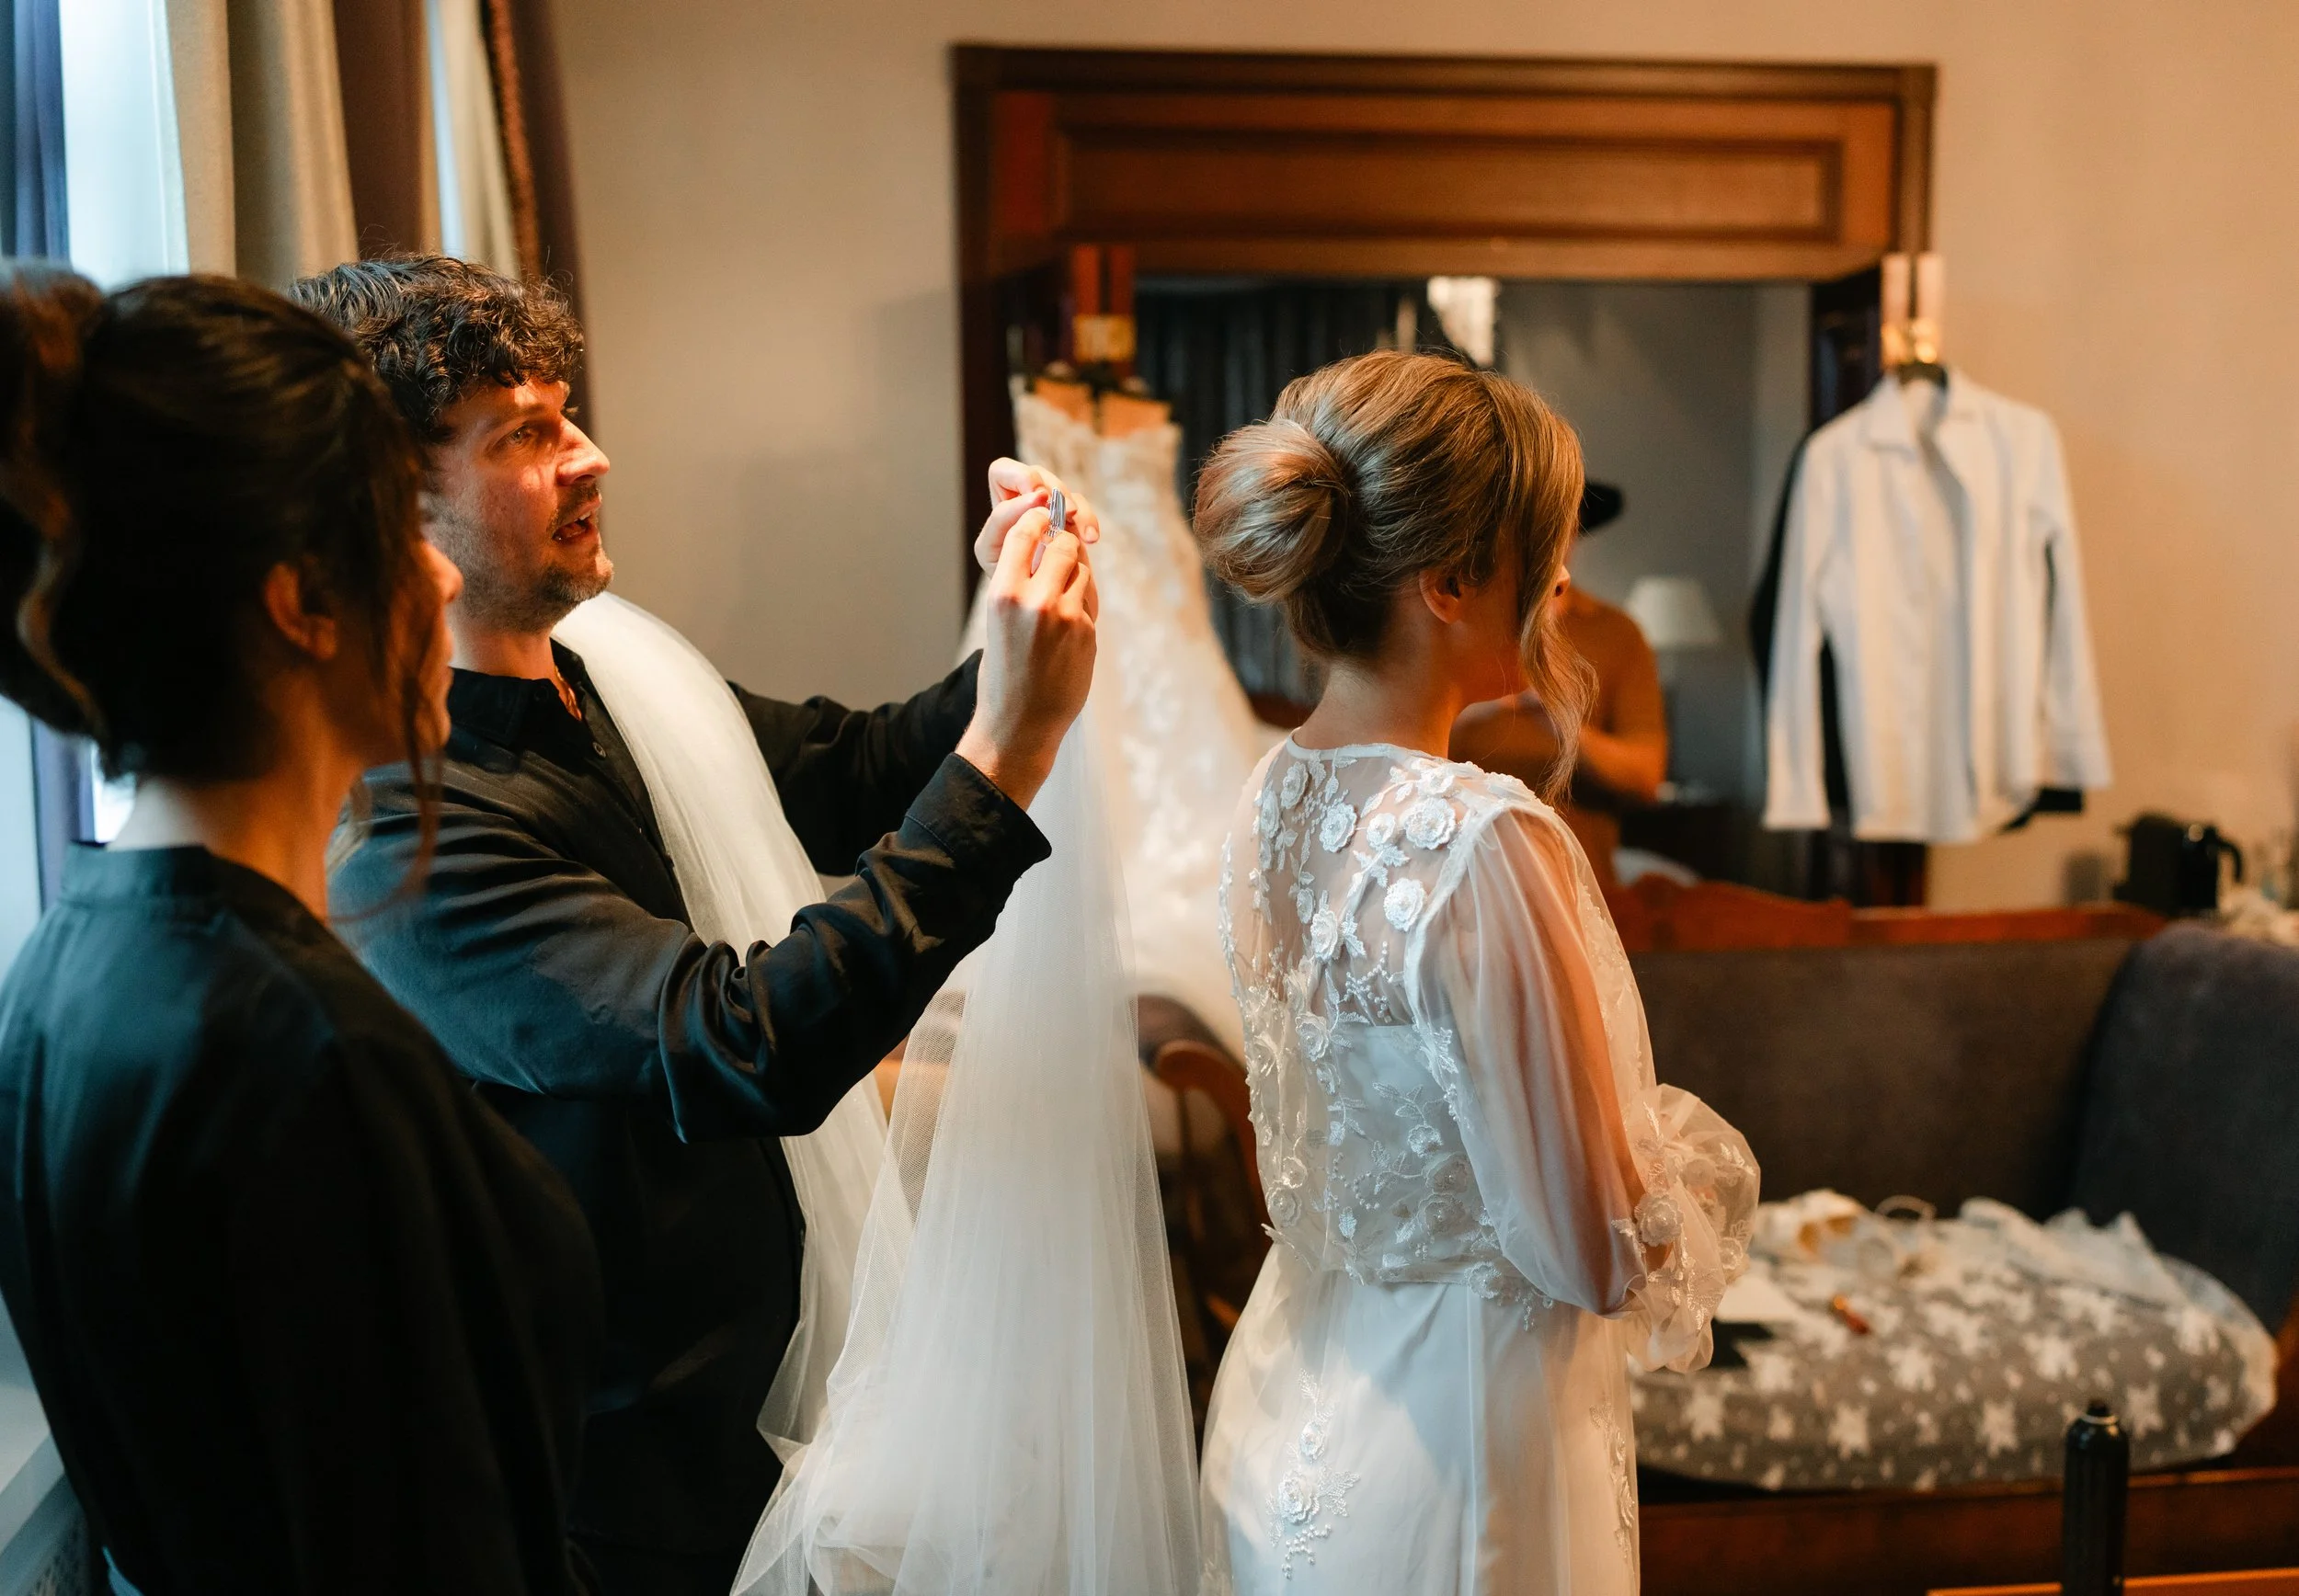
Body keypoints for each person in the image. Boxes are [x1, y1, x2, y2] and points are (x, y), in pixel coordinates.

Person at [294, 256, 1098, 1596]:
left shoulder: (608, 665)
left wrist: (1031, 617)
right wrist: (1008, 752)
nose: (591, 456)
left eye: (570, 412)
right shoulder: (409, 834)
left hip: (769, 1405)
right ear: (392, 500)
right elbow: (739, 1040)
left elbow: (844, 773)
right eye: (529, 434)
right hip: (628, 1487)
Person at [0, 268, 601, 1594]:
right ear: (300, 604)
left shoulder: (61, 971)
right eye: (400, 527)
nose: (441, 571)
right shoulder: (312, 1059)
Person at [1189, 350, 1756, 1594]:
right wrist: (1688, 1203)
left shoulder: (1267, 800)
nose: (1561, 581)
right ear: (1448, 582)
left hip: (1292, 1414)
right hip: (1456, 1466)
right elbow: (1591, 1251)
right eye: (1538, 550)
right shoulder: (1475, 840)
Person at [1448, 504, 1666, 892]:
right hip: (1461, 878)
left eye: (1560, 527)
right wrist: (1470, 704)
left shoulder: (1618, 633)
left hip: (1576, 882)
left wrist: (1562, 720)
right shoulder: (1455, 621)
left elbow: (1646, 776)